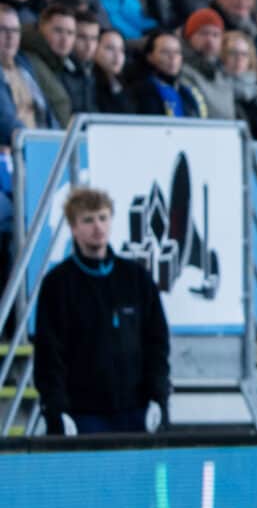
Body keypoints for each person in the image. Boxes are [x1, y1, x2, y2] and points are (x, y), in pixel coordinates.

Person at [33, 186, 171, 435]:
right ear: (74, 228)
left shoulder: (136, 278)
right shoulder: (58, 284)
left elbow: (157, 343)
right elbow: (49, 354)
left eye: (103, 217)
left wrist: (158, 397)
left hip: (136, 412)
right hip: (83, 416)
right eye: (88, 220)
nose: (97, 227)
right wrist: (57, 410)